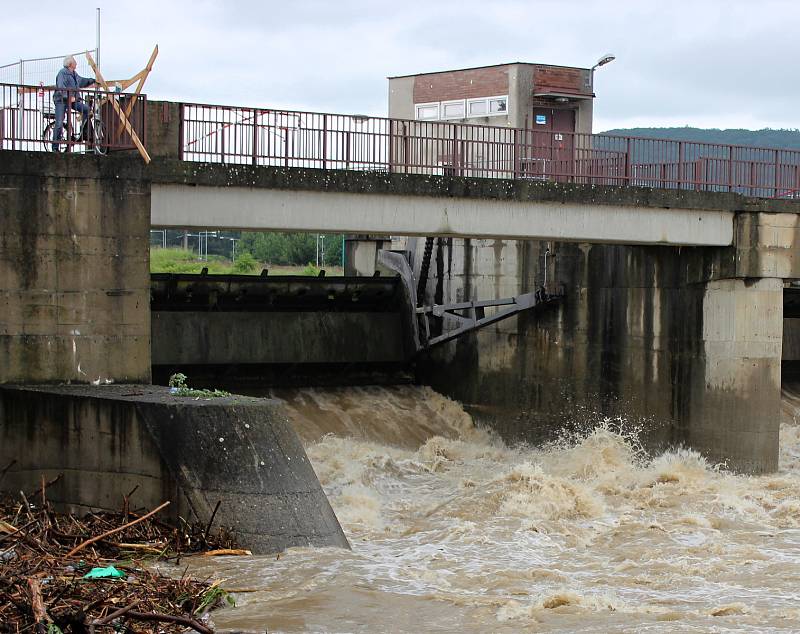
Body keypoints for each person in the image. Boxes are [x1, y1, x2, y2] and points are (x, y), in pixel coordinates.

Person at [52, 56, 96, 151]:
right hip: (61, 100)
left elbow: (81, 81)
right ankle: (55, 147)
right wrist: (68, 96)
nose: (76, 63)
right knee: (59, 123)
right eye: (75, 61)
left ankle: (83, 131)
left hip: (72, 100)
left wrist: (91, 80)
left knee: (86, 109)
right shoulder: (62, 73)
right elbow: (61, 87)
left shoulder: (74, 74)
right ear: (70, 64)